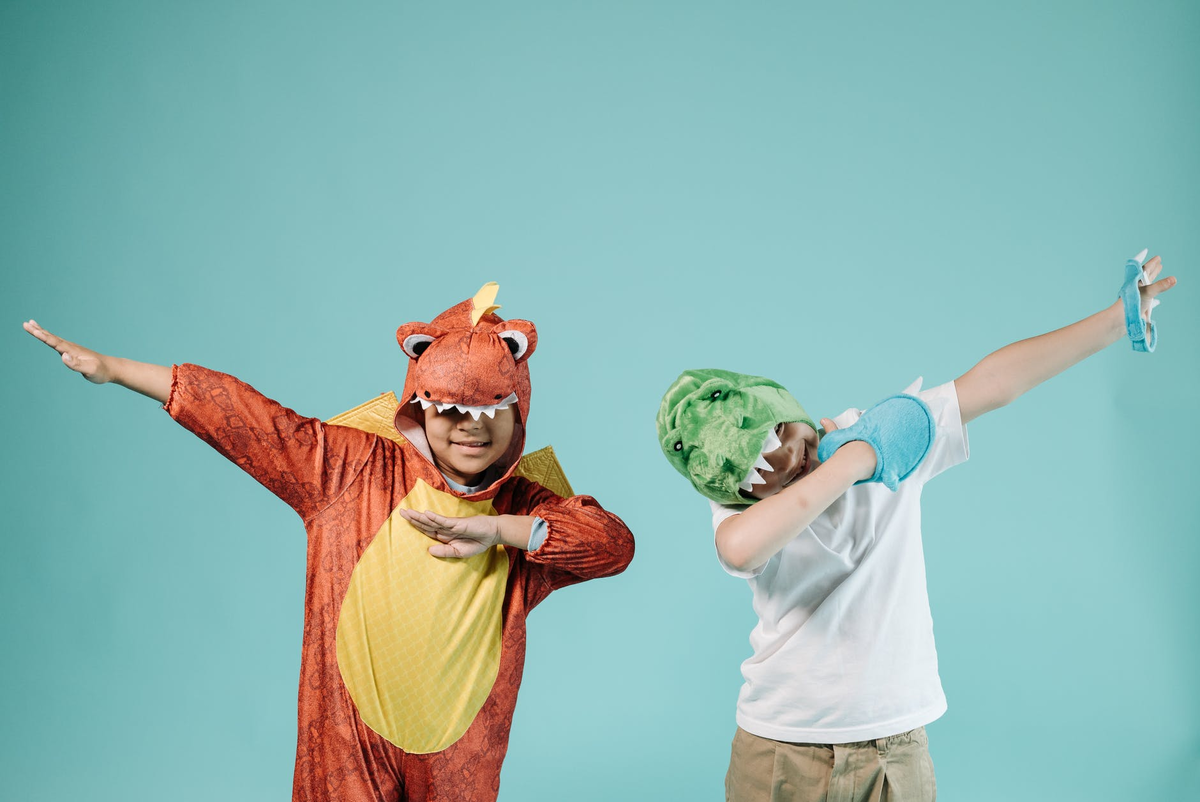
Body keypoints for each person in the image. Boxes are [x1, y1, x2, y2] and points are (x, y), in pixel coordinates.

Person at [24, 283, 635, 802]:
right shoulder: (350, 471)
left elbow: (613, 545)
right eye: (449, 410)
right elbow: (246, 418)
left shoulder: (528, 508)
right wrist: (115, 370)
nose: (468, 431)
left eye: (490, 411)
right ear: (418, 406)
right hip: (346, 742)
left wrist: (503, 530)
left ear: (517, 410)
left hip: (461, 754)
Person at [654, 253, 1176, 802]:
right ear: (732, 488)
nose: (789, 461)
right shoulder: (744, 510)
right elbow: (739, 550)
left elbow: (991, 383)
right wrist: (855, 462)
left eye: (782, 433)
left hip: (894, 747)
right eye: (760, 474)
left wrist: (1115, 319)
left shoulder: (888, 431)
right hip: (780, 748)